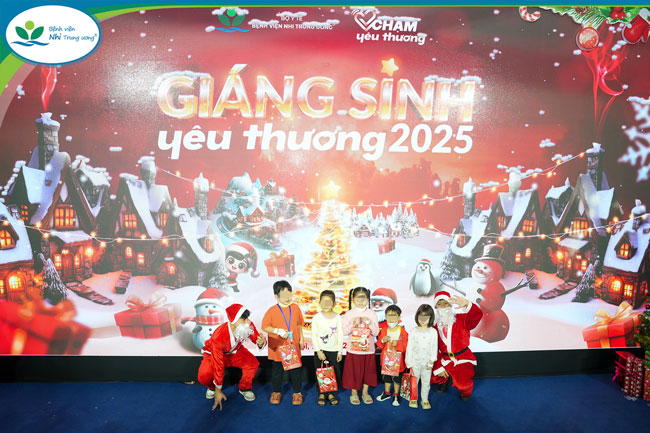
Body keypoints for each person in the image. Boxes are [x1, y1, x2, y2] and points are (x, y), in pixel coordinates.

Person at [197, 303, 267, 411]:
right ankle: (212, 387)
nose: (247, 321)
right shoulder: (218, 337)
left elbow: (256, 338)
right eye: (243, 319)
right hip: (214, 355)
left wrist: (261, 342)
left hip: (235, 352)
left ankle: (244, 388)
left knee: (252, 364)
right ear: (233, 320)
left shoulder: (247, 325)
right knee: (204, 376)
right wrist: (218, 389)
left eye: (247, 318)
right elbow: (218, 364)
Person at [431, 291, 483, 401]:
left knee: (463, 385)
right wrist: (438, 367)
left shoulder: (461, 319)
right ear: (436, 306)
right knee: (432, 375)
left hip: (462, 358)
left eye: (446, 303)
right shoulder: (434, 325)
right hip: (445, 358)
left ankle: (466, 392)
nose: (443, 306)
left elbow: (477, 316)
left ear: (450, 305)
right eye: (439, 304)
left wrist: (467, 304)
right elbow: (433, 347)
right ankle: (445, 380)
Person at [261, 280, 305, 405]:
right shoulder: (272, 310)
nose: (287, 298)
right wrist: (277, 331)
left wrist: (301, 339)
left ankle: (297, 393)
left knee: (295, 371)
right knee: (277, 372)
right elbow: (264, 327)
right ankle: (276, 392)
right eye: (284, 295)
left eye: (289, 294)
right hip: (278, 347)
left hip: (293, 346)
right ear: (276, 296)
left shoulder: (295, 308)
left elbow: (299, 324)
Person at [342, 286, 380, 405]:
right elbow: (344, 332)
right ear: (353, 299)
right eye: (358, 298)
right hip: (354, 350)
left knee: (368, 372)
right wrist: (353, 324)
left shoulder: (372, 314)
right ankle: (354, 393)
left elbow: (376, 332)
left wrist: (369, 323)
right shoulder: (349, 314)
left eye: (363, 298)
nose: (361, 301)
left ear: (368, 299)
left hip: (368, 350)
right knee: (354, 372)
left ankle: (365, 392)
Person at [311, 290, 343, 406]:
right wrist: (318, 351)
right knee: (320, 372)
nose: (325, 304)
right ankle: (321, 393)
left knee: (333, 372)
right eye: (323, 301)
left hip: (334, 350)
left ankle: (331, 393)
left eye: (328, 302)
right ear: (319, 302)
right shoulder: (316, 317)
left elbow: (340, 334)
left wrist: (340, 351)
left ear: (334, 303)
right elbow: (314, 335)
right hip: (321, 351)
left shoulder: (337, 317)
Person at [405, 304, 438, 409]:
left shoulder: (433, 332)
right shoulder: (413, 331)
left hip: (427, 363)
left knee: (426, 382)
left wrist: (432, 360)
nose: (423, 320)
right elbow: (409, 348)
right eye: (421, 317)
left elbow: (434, 347)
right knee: (414, 382)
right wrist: (409, 362)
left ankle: (425, 399)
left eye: (426, 317)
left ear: (430, 318)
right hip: (415, 362)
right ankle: (413, 398)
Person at [376, 304, 408, 406]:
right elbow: (379, 345)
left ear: (399, 317)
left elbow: (405, 346)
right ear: (385, 317)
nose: (391, 319)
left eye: (394, 316)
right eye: (389, 316)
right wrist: (382, 340)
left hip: (398, 362)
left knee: (397, 379)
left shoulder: (403, 331)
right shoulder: (384, 330)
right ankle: (387, 392)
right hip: (386, 360)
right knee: (387, 377)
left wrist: (397, 344)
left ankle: (396, 394)